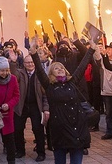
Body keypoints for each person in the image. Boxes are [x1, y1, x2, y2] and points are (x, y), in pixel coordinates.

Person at [30, 36, 96, 164]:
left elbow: (82, 66)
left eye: (62, 68)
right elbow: (38, 68)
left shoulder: (72, 82)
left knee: (76, 161)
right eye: (56, 68)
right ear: (51, 73)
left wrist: (92, 49)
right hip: (60, 129)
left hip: (77, 126)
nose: (60, 69)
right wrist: (33, 52)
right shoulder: (49, 85)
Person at [12, 53, 48, 161]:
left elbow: (45, 94)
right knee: (18, 128)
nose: (30, 64)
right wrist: (13, 63)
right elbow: (13, 75)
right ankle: (20, 150)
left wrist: (46, 108)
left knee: (38, 129)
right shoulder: (20, 73)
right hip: (21, 105)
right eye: (27, 62)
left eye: (32, 62)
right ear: (24, 63)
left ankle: (41, 152)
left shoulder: (40, 75)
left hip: (36, 106)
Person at [0, 55, 20, 164]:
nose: (5, 73)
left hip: (7, 114)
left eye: (7, 70)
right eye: (2, 70)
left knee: (9, 139)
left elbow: (16, 96)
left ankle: (11, 160)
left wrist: (9, 104)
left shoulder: (13, 79)